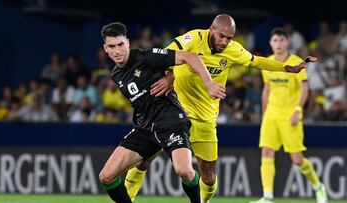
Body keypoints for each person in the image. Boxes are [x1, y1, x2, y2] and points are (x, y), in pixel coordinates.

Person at [125, 14, 316, 203]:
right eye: (221, 36)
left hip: (205, 118)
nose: (225, 41)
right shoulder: (193, 39)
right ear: (211, 29)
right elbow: (164, 55)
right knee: (145, 158)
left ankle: (204, 201)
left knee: (208, 177)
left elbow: (257, 61)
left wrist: (288, 68)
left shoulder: (233, 50)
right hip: (174, 111)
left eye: (229, 38)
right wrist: (170, 76)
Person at [98, 22, 226, 203]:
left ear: (127, 42)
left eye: (120, 44)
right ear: (106, 49)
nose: (117, 50)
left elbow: (190, 57)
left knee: (184, 171)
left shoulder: (146, 56)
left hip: (170, 120)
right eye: (112, 46)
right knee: (106, 176)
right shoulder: (116, 74)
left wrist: (209, 85)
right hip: (145, 127)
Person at [250, 28, 327, 203]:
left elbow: (304, 88)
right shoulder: (267, 63)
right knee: (267, 152)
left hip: (290, 115)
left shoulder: (297, 62)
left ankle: (318, 186)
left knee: (298, 160)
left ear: (287, 43)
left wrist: (298, 110)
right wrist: (264, 114)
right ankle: (267, 196)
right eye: (275, 41)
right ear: (270, 43)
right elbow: (267, 89)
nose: (278, 44)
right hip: (271, 115)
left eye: (281, 40)